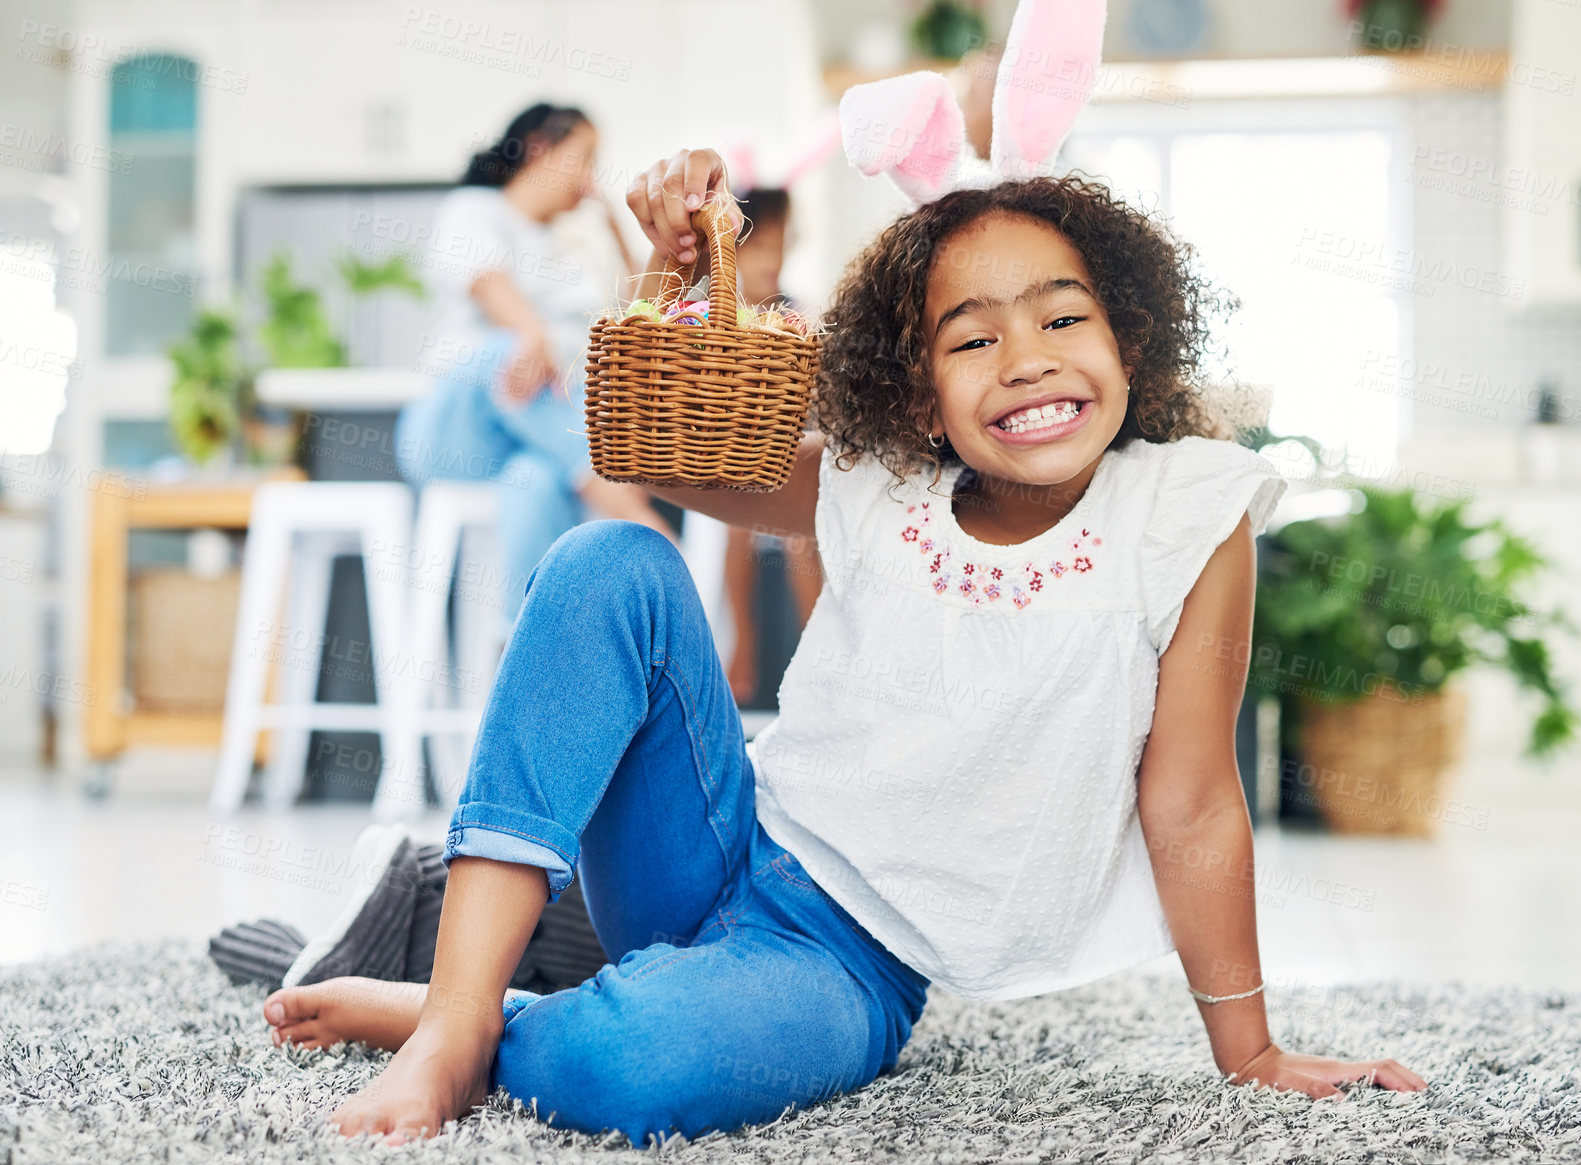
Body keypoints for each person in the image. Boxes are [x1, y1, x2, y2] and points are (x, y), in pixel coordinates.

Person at [260, 147, 1426, 1146]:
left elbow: (1194, 805)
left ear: (1132, 339)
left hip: (844, 962)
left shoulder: (1185, 511)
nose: (1028, 359)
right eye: (972, 341)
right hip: (715, 841)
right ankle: (458, 1016)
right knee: (607, 564)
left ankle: (492, 1011)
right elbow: (653, 463)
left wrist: (1253, 1048)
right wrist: (665, 273)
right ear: (918, 396)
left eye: (1066, 318)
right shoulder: (884, 483)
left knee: (620, 1074)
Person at [394, 102, 670, 620]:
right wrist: (534, 337)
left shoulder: (576, 242)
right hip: (451, 433)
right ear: (541, 147)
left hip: (532, 440)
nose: (590, 178)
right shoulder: (474, 210)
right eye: (585, 158)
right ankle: (632, 512)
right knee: (506, 352)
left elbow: (642, 313)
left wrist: (613, 225)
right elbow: (487, 283)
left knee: (534, 480)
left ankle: (527, 645)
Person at [722, 187, 822, 704]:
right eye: (761, 248)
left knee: (800, 529)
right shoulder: (715, 317)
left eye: (781, 247)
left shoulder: (797, 316)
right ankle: (744, 644)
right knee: (745, 513)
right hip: (731, 466)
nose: (773, 261)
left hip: (786, 458)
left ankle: (820, 654)